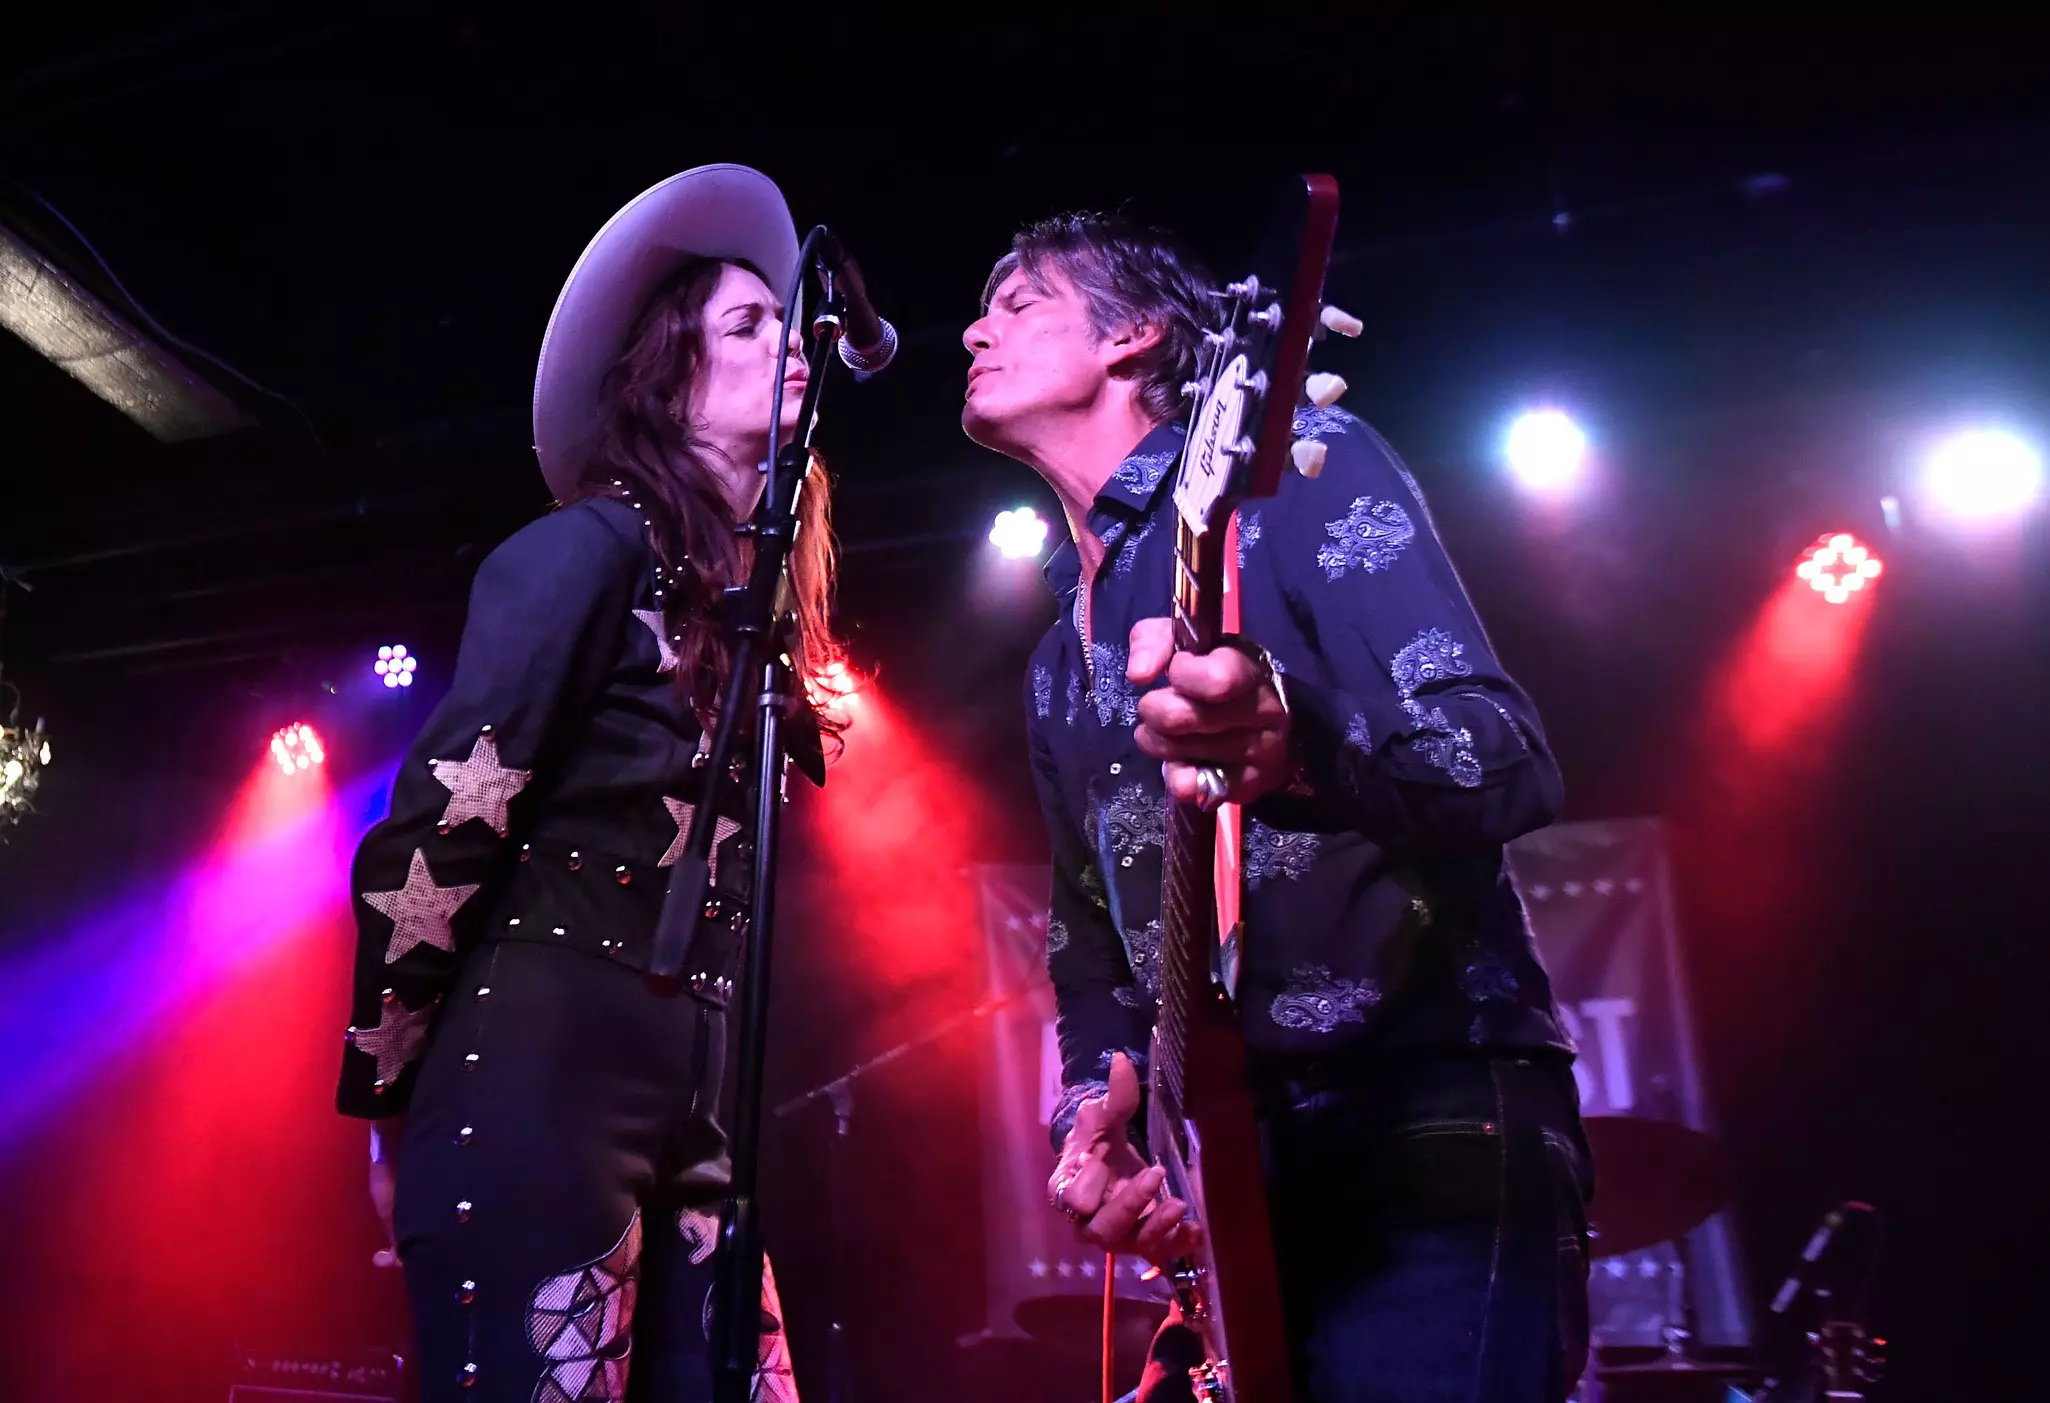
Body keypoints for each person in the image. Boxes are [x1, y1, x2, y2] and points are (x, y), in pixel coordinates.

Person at [962, 212, 1593, 1402]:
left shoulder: (1292, 471)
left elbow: (1507, 757)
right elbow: (1089, 955)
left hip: (1421, 1123)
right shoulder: (1053, 663)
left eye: (1019, 301)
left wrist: (1298, 742)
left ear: (1133, 334)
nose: (972, 331)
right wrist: (1097, 1125)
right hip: (1241, 1178)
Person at [336, 164, 833, 1403]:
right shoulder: (582, 552)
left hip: (694, 1083)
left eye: (782, 321)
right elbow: (440, 825)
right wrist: (388, 1092)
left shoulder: (747, 607)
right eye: (746, 324)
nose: (787, 344)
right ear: (667, 377)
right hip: (534, 1064)